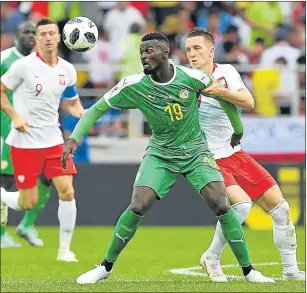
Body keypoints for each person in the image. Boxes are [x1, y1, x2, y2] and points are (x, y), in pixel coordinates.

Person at [61, 32, 274, 284]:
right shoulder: (134, 84)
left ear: (165, 53)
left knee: (221, 204)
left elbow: (224, 100)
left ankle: (249, 271)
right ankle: (105, 267)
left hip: (196, 152)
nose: (144, 56)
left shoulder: (193, 77)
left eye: (149, 51)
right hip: (161, 154)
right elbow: (97, 108)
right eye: (142, 52)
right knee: (138, 205)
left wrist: (237, 129)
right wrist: (74, 137)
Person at [185, 27, 305, 281]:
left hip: (234, 152)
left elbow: (248, 102)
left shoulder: (226, 72)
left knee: (281, 209)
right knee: (240, 206)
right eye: (187, 50)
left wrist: (219, 92)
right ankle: (212, 257)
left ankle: (291, 271)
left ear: (211, 50)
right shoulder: (183, 80)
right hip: (205, 156)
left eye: (197, 48)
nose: (192, 54)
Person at [0, 18, 85, 262]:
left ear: (59, 37)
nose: (48, 38)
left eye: (52, 33)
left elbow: (72, 101)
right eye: (43, 34)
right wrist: (14, 115)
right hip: (25, 142)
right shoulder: (22, 67)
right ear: (37, 39)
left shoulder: (67, 69)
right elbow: (1, 91)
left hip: (54, 142)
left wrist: (82, 113)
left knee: (67, 191)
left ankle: (64, 250)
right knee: (28, 202)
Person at [1, 21, 51, 248]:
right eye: (27, 32)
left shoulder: (40, 62)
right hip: (6, 128)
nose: (31, 35)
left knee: (48, 176)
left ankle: (27, 224)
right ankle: (1, 233)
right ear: (17, 36)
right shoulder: (4, 59)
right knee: (6, 180)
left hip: (37, 129)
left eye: (35, 32)